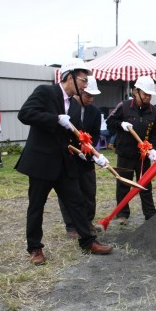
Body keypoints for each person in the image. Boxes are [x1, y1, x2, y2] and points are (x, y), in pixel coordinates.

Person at [15, 58, 113, 265]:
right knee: (36, 206)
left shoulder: (75, 107)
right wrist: (54, 119)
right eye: (84, 80)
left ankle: (87, 241)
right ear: (70, 77)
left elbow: (73, 136)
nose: (87, 85)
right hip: (42, 162)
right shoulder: (45, 92)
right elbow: (25, 114)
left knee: (76, 202)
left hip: (65, 162)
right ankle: (35, 248)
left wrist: (90, 154)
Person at [107, 76, 156, 224]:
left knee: (145, 184)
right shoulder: (123, 106)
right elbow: (110, 122)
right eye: (145, 94)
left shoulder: (154, 112)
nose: (147, 97)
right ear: (135, 91)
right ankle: (122, 214)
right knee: (124, 184)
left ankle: (150, 213)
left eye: (150, 95)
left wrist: (153, 148)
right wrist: (120, 124)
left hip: (143, 155)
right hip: (126, 152)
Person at [57, 76, 105, 238]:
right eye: (87, 96)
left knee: (89, 190)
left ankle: (87, 220)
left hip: (87, 157)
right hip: (69, 156)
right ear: (78, 92)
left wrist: (90, 152)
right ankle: (71, 225)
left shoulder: (95, 112)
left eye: (93, 96)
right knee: (69, 192)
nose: (90, 99)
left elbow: (96, 135)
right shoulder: (66, 109)